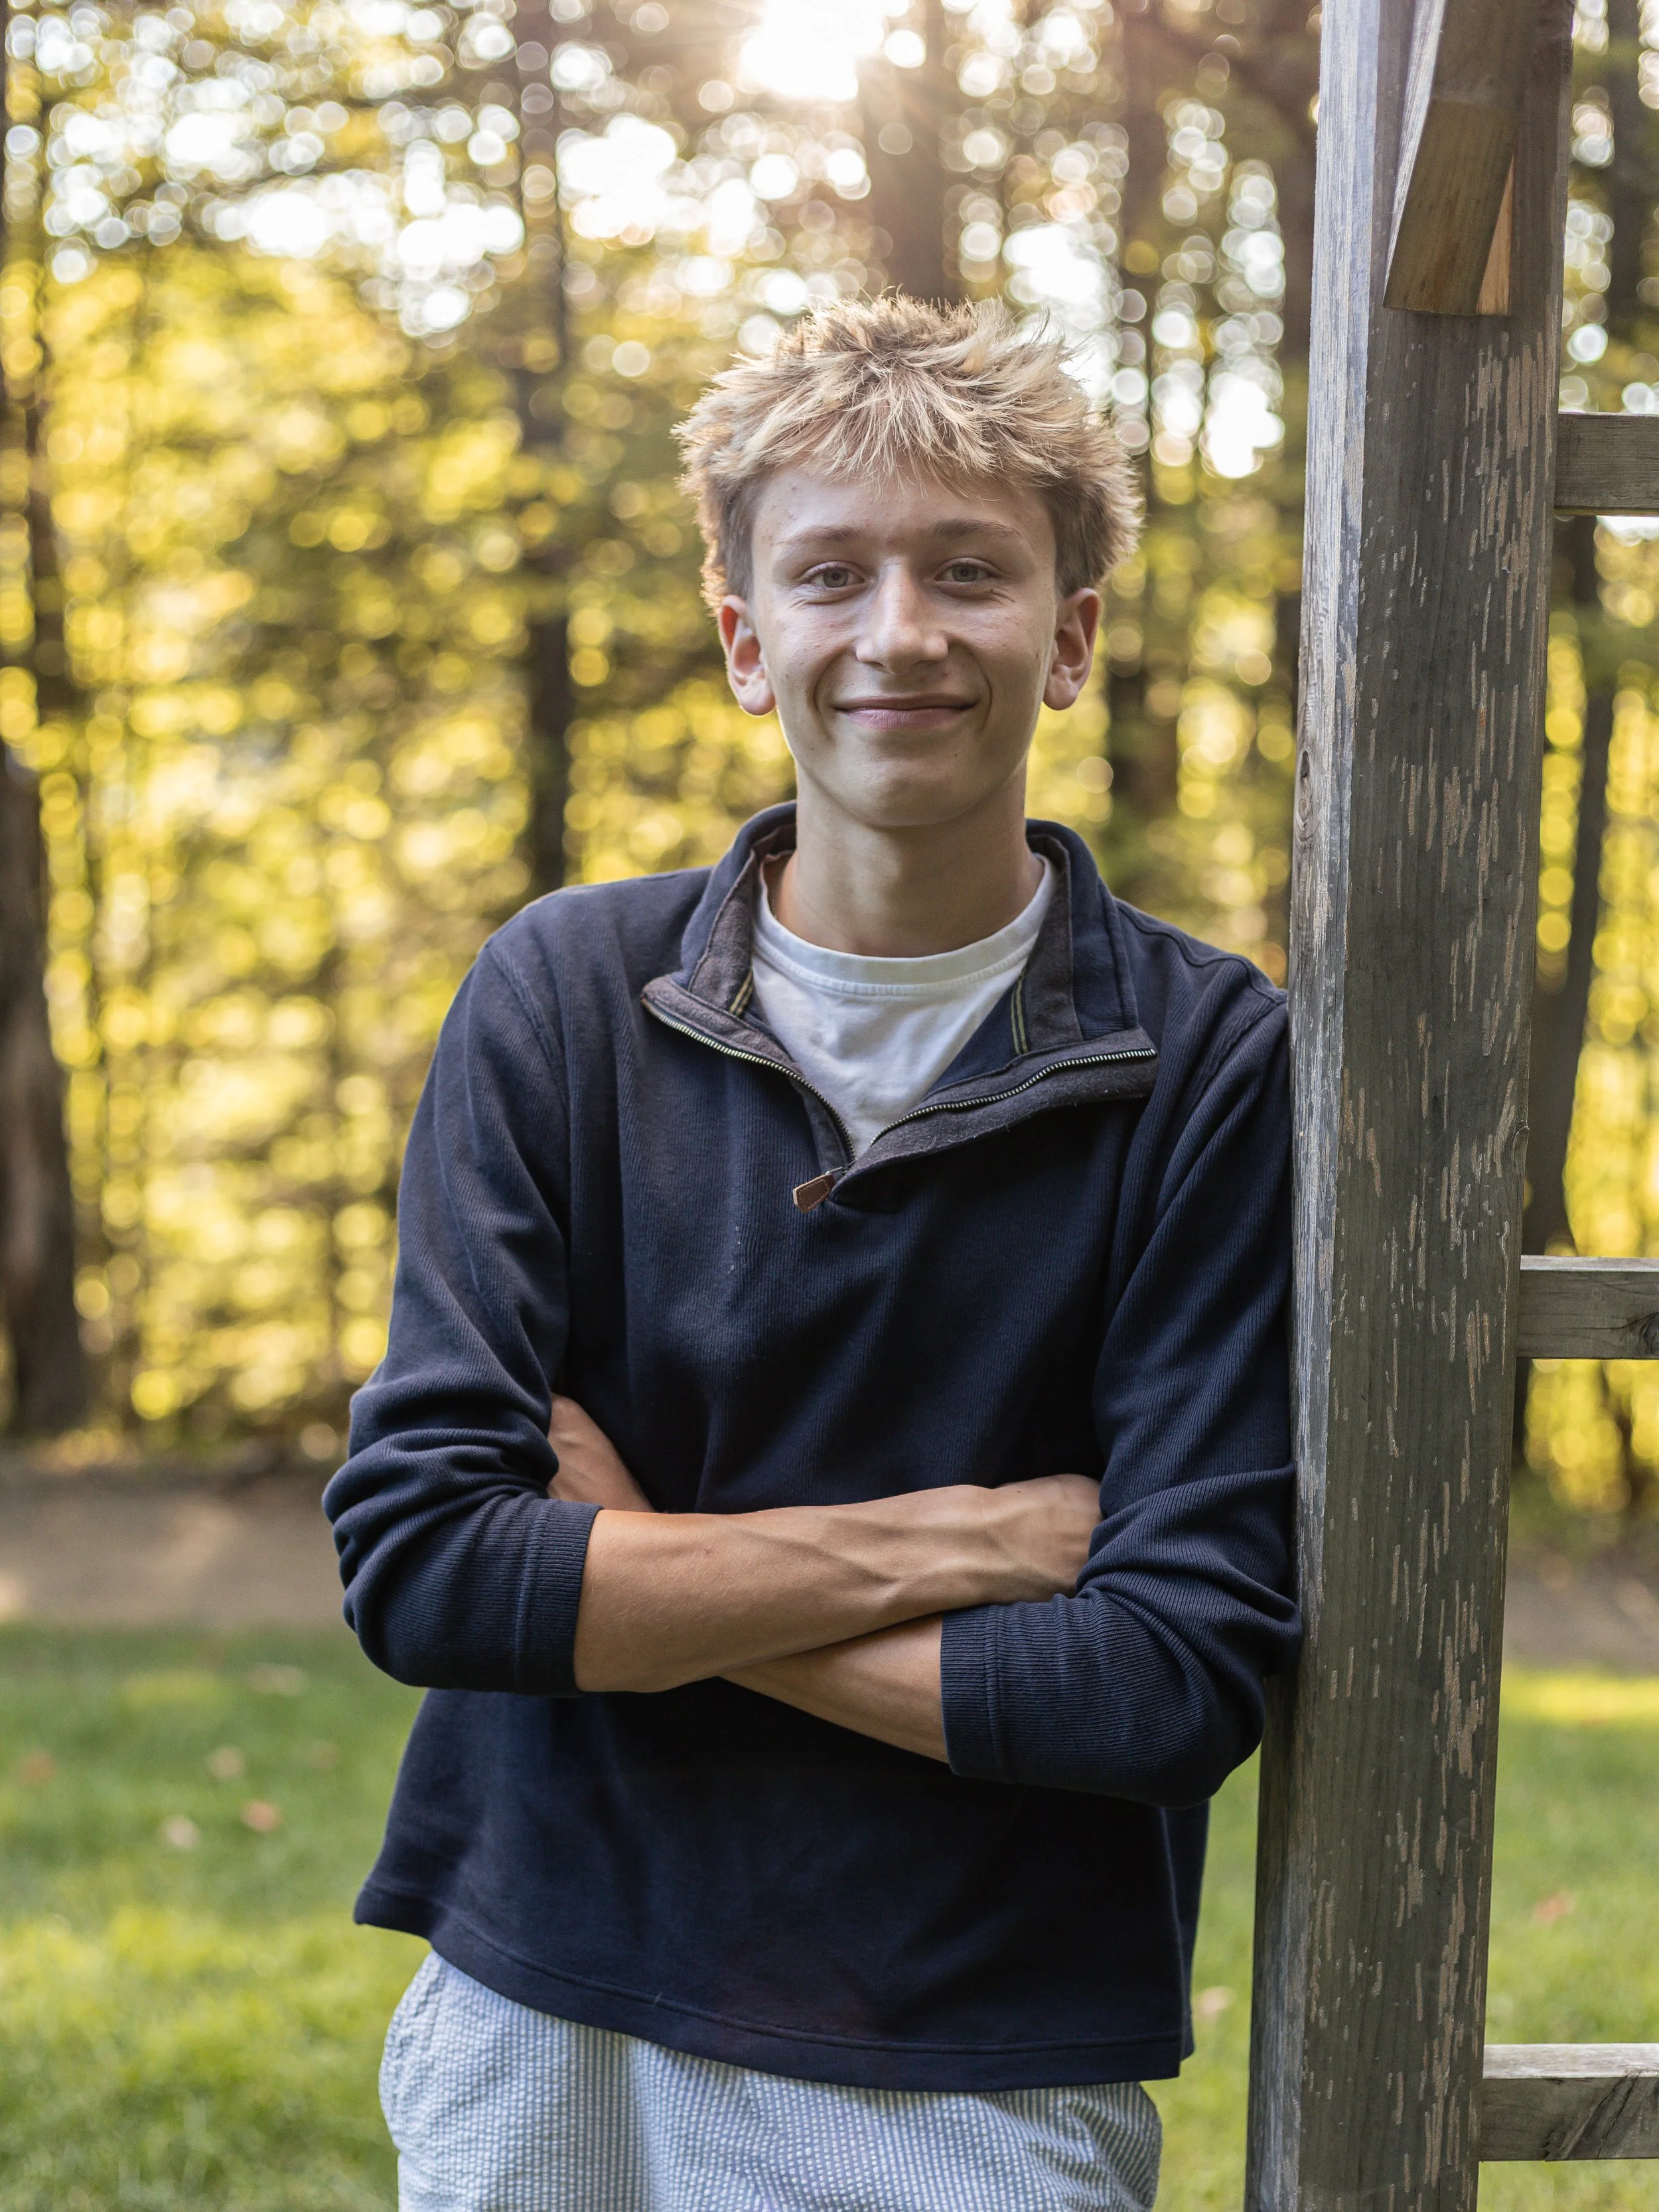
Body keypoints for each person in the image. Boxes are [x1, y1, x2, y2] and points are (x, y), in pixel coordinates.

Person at [326, 295, 1299, 2212]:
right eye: (830, 575)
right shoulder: (563, 994)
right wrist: (968, 1542)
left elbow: (1164, 1684)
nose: (902, 631)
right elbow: (433, 1566)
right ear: (745, 641)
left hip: (975, 2042)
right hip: (547, 1986)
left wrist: (634, 1589)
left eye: (969, 572)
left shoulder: (1205, 1058)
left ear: (1072, 635)